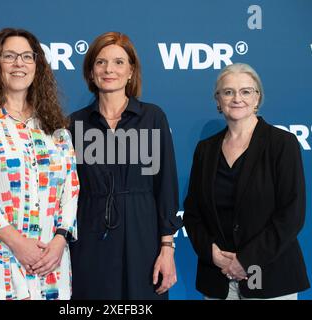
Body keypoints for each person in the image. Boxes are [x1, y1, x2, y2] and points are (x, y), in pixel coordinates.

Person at [0, 28, 79, 300]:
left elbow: (71, 189)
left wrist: (60, 239)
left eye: (27, 56)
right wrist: (19, 244)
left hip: (49, 262)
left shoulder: (54, 127)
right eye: (9, 56)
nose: (19, 63)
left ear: (37, 66)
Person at [69, 31, 183, 300]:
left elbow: (166, 185)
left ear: (131, 71)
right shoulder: (73, 124)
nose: (110, 69)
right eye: (101, 62)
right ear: (90, 72)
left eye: (119, 62)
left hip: (143, 237)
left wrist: (167, 247)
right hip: (89, 237)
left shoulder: (152, 117)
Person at [183, 63, 310, 300]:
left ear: (257, 98)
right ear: (218, 100)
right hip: (218, 278)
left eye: (245, 91)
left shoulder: (282, 143)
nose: (236, 98)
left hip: (270, 276)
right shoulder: (206, 149)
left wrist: (246, 261)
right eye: (228, 91)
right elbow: (192, 213)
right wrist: (211, 253)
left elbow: (291, 215)